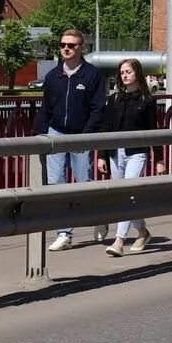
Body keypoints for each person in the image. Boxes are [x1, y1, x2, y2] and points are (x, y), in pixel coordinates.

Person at [35, 28, 106, 252]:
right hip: (56, 134)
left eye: (71, 45)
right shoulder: (52, 76)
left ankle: (99, 218)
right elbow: (45, 109)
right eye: (63, 44)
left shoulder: (92, 75)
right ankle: (64, 232)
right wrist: (41, 134)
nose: (66, 48)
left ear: (80, 48)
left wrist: (86, 136)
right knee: (56, 184)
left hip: (80, 135)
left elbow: (98, 109)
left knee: (83, 182)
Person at [101, 57, 158, 255]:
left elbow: (153, 131)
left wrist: (159, 159)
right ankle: (142, 231)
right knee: (125, 197)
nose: (125, 75)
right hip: (116, 153)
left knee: (127, 194)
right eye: (122, 72)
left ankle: (119, 241)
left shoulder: (147, 100)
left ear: (138, 74)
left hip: (137, 153)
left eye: (128, 72)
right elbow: (106, 129)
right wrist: (102, 156)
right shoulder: (114, 99)